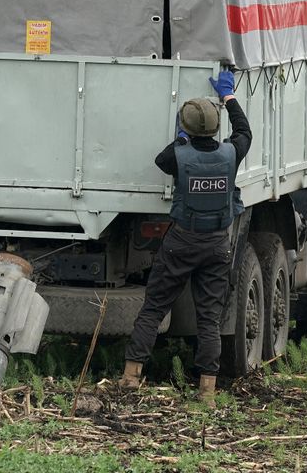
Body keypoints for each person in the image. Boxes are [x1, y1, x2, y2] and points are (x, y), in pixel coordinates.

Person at [119, 71, 252, 402]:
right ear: (215, 128)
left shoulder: (178, 155)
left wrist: (181, 140)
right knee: (209, 317)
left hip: (181, 243)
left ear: (187, 128)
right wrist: (229, 98)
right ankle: (207, 388)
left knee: (153, 309)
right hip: (218, 245)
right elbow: (244, 132)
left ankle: (131, 377)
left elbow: (161, 159)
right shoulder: (231, 154)